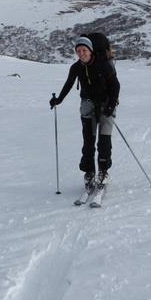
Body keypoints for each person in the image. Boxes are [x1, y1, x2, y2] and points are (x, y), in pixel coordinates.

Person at [49, 36, 120, 191]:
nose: (81, 53)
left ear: (90, 50)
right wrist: (59, 100)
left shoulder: (103, 65)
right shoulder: (76, 67)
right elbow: (69, 84)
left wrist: (111, 105)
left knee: (104, 140)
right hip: (87, 104)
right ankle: (89, 172)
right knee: (88, 140)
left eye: (84, 50)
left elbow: (115, 85)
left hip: (106, 103)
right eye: (78, 51)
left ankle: (103, 172)